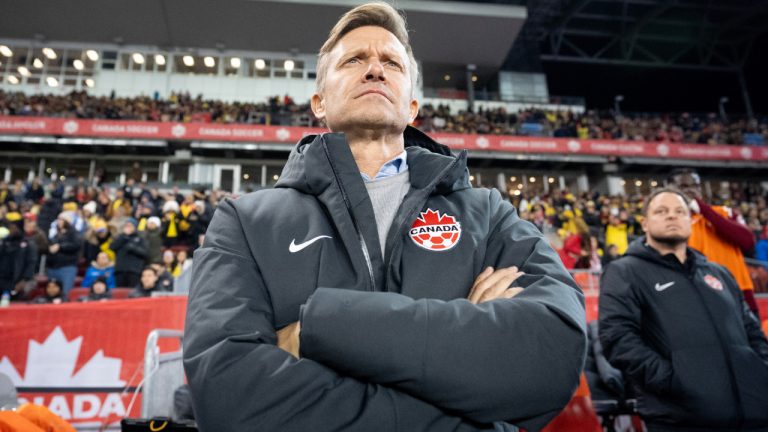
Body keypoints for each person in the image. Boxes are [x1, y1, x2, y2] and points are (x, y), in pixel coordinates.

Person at [183, 3, 586, 431]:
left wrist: (318, 330)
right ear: (319, 102)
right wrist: (460, 357)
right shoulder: (244, 222)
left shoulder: (488, 213)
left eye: (391, 62)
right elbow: (229, 396)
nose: (375, 70)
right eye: (354, 60)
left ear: (412, 106)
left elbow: (550, 353)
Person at [598, 188, 768, 431]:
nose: (672, 216)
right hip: (681, 419)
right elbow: (618, 339)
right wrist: (674, 380)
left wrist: (759, 370)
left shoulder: (718, 273)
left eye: (680, 211)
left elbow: (752, 330)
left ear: (690, 220)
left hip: (754, 415)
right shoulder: (624, 272)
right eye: (662, 211)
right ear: (645, 223)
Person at [669, 169, 760, 314]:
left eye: (695, 185)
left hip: (737, 290)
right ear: (670, 189)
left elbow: (747, 241)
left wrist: (703, 209)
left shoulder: (723, 212)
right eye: (683, 186)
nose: (691, 190)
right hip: (696, 296)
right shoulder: (669, 223)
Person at [45, 213, 83, 296]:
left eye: (61, 219)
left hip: (67, 266)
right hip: (53, 266)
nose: (59, 222)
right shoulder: (56, 234)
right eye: (58, 219)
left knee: (66, 292)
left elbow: (76, 245)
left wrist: (60, 247)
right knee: (52, 294)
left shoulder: (74, 233)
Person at [111, 218, 148, 288]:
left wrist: (133, 248)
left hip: (134, 270)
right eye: (126, 226)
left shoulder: (140, 238)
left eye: (130, 226)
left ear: (135, 227)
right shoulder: (120, 237)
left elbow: (145, 253)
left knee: (133, 291)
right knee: (120, 292)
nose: (128, 228)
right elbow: (112, 247)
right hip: (120, 270)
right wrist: (124, 237)